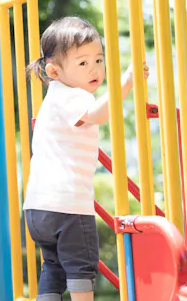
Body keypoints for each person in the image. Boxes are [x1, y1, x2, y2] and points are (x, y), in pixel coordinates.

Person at [23, 16, 149, 301]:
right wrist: (126, 82)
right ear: (54, 71)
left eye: (99, 60)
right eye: (82, 63)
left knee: (52, 269)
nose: (94, 69)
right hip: (67, 205)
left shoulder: (54, 96)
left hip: (37, 208)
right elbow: (99, 115)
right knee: (81, 270)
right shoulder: (73, 96)